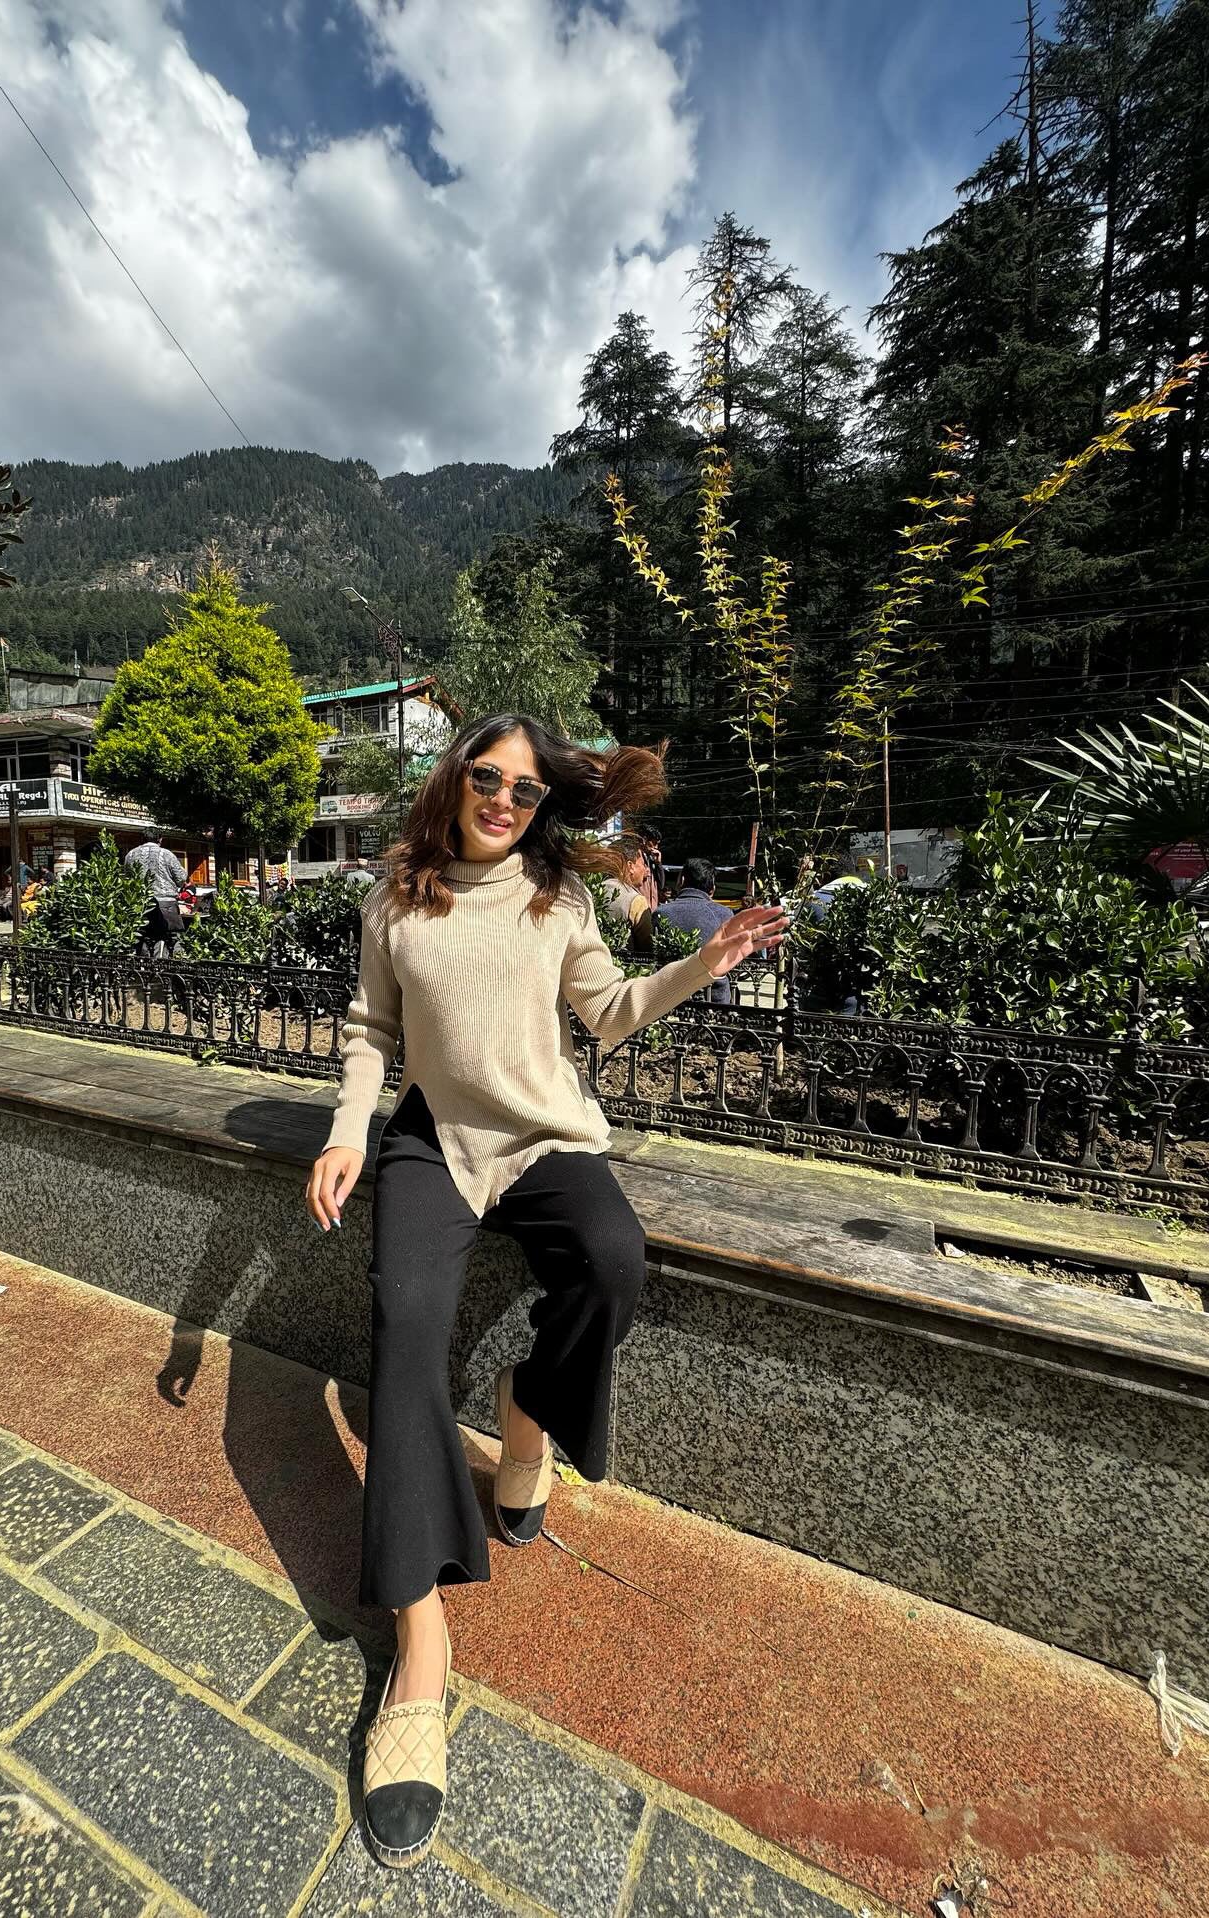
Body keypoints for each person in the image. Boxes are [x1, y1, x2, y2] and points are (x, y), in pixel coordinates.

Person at [305, 714, 788, 1869]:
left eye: (526, 790)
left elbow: (608, 1013)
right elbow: (372, 1031)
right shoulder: (396, 898)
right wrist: (348, 1132)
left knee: (613, 1261)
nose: (505, 800)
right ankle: (420, 1637)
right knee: (405, 1323)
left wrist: (704, 963)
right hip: (434, 1141)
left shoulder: (555, 895)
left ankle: (528, 1410)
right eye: (489, 777)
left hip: (544, 1139)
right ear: (455, 778)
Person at [655, 855, 735, 1006]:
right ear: (712, 888)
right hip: (714, 999)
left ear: (682, 880)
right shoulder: (725, 914)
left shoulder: (661, 913)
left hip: (670, 999)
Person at [125, 830, 188, 955]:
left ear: (142, 839)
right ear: (160, 839)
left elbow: (127, 878)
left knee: (141, 936)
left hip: (140, 903)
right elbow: (181, 878)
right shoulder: (167, 854)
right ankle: (164, 962)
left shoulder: (131, 855)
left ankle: (143, 962)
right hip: (166, 904)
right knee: (169, 937)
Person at [600, 839, 656, 955]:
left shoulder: (592, 891)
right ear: (630, 866)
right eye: (643, 864)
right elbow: (648, 947)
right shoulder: (635, 900)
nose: (645, 870)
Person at [636, 826, 664, 908]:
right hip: (640, 908)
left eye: (658, 844)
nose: (656, 847)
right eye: (654, 843)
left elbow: (661, 885)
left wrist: (658, 864)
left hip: (652, 909)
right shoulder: (636, 857)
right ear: (644, 840)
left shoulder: (652, 859)